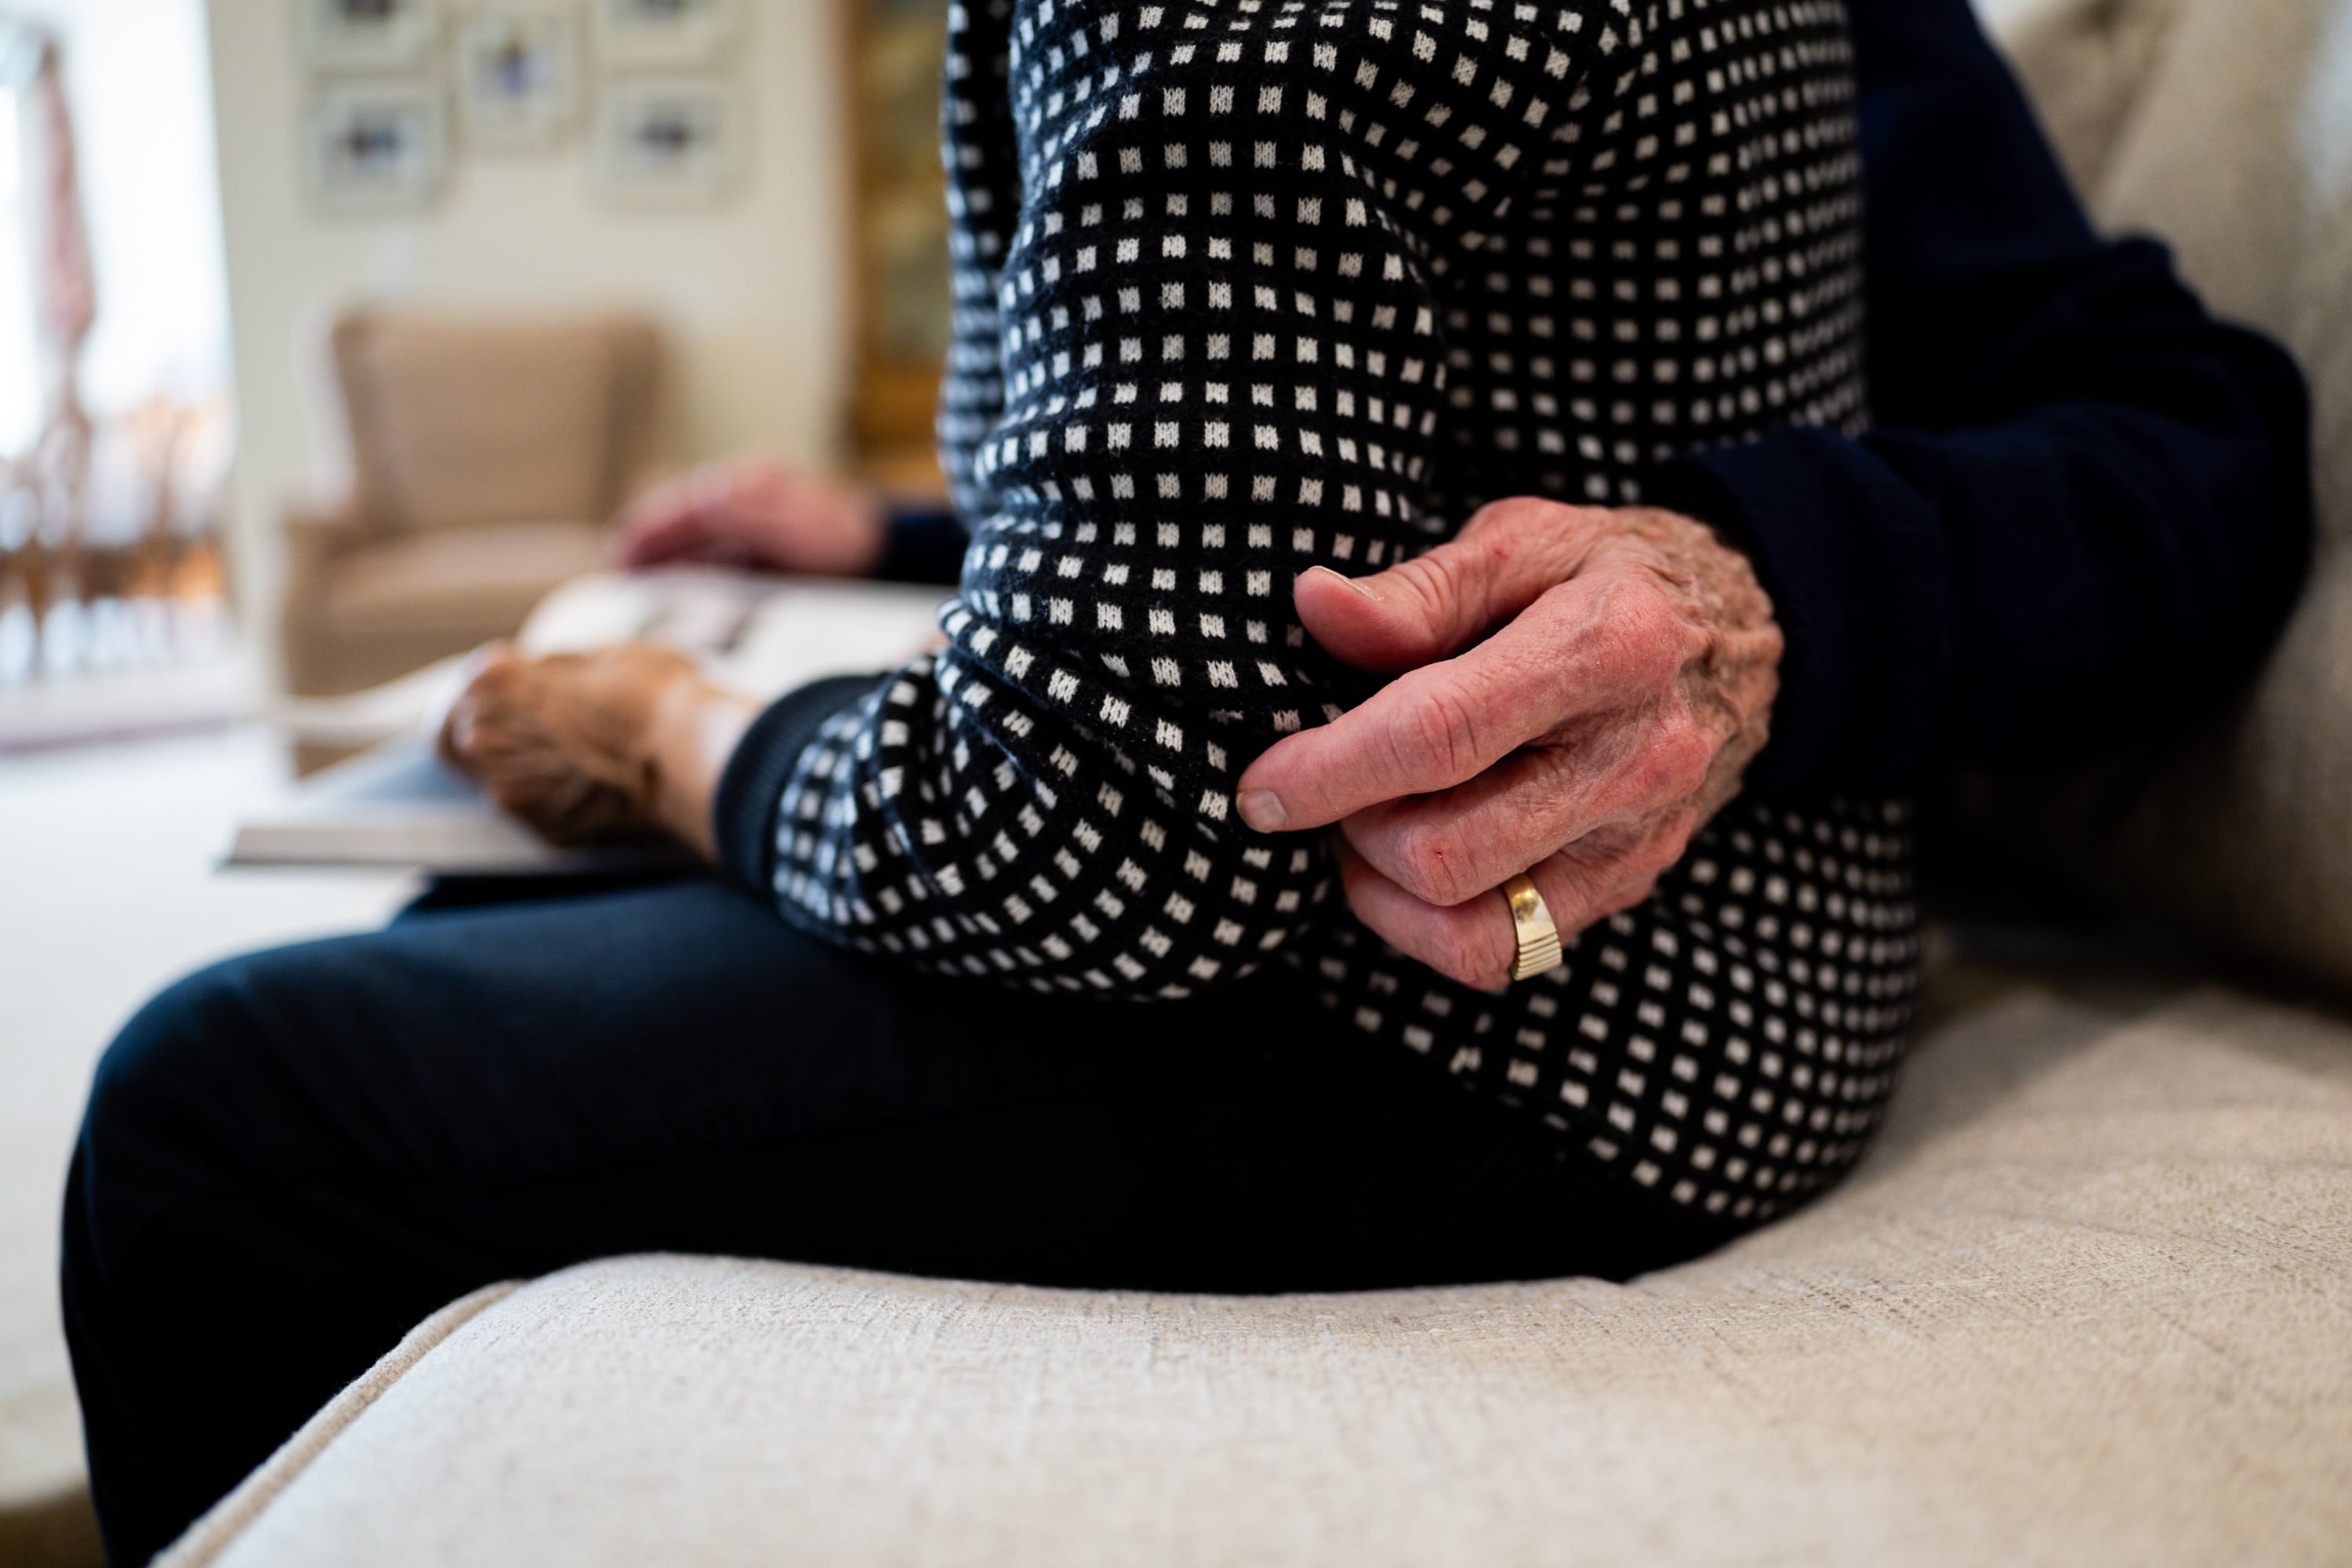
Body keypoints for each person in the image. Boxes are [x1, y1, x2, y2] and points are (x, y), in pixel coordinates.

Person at [64, 0, 2310, 1559]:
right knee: (455, 945)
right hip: (1699, 992)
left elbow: (1114, 835)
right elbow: (1346, 482)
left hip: (1490, 1013)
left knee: (220, 1114)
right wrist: (907, 545)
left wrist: (667, 735)